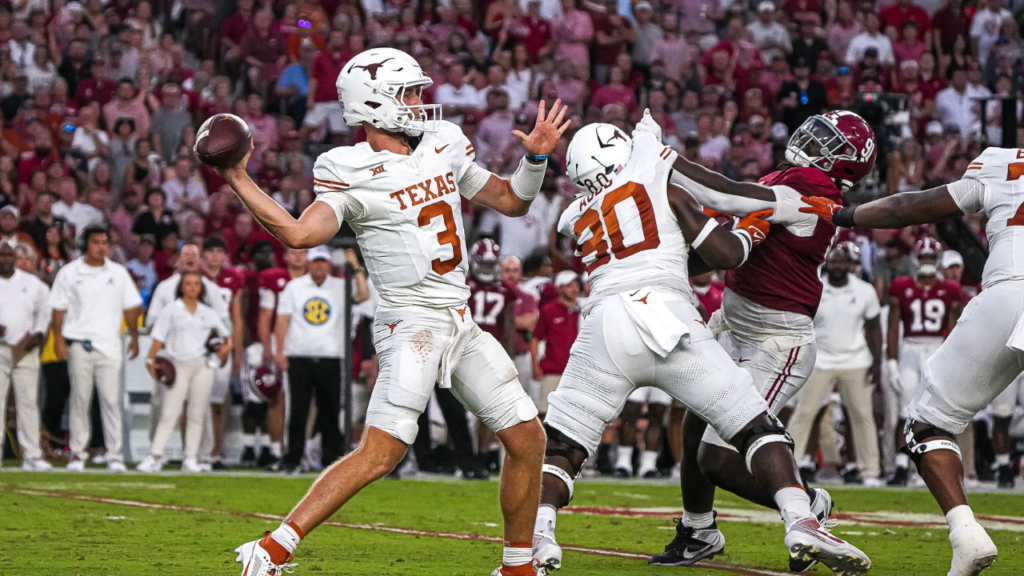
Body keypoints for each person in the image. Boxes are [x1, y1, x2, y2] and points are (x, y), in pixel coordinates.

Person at [221, 47, 569, 576]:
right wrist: (238, 178)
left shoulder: (443, 143)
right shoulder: (348, 167)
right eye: (407, 93)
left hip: (458, 318)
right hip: (410, 324)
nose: (419, 102)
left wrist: (535, 160)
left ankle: (517, 566)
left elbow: (510, 201)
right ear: (375, 103)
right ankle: (270, 550)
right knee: (382, 451)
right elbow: (298, 232)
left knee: (527, 438)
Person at [532, 118, 870, 576]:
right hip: (676, 318)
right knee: (744, 425)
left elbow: (685, 233)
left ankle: (536, 538)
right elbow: (723, 249)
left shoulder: (575, 214)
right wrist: (748, 224)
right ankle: (793, 515)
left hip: (629, 327)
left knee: (569, 443)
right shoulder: (656, 181)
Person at [650, 110, 876, 574]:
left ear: (843, 167)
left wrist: (662, 159)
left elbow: (718, 193)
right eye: (815, 134)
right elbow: (723, 244)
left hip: (777, 339)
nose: (811, 143)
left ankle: (809, 503)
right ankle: (698, 531)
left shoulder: (815, 190)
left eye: (826, 144)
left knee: (716, 459)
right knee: (694, 422)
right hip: (734, 321)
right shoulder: (785, 178)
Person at [797, 145, 1024, 576]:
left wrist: (843, 215)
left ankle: (966, 533)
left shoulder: (1004, 162)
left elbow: (912, 206)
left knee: (927, 424)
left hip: (1009, 291)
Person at [787, 242, 883, 487]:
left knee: (862, 416)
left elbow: (874, 329)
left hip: (857, 360)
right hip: (819, 360)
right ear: (826, 264)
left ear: (850, 265)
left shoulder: (864, 290)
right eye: (834, 262)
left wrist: (877, 362)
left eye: (842, 262)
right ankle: (789, 465)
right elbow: (801, 323)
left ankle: (870, 471)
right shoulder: (813, 288)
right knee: (804, 413)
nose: (838, 266)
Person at [49, 225, 143, 473]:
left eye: (105, 242)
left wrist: (133, 336)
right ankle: (78, 454)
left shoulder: (119, 273)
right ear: (85, 245)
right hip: (79, 344)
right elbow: (58, 308)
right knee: (80, 400)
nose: (102, 247)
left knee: (111, 401)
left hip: (110, 345)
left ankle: (115, 455)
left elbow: (132, 306)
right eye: (96, 242)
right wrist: (58, 339)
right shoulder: (70, 272)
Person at [273, 245, 368, 474]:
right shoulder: (294, 287)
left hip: (330, 356)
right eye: (316, 261)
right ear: (309, 263)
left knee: (330, 411)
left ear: (329, 264)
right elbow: (283, 319)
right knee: (298, 411)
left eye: (323, 262)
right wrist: (280, 350)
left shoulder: (340, 286)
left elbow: (364, 294)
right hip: (299, 355)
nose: (319, 266)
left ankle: (331, 460)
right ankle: (293, 459)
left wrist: (355, 266)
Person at [885, 237, 964, 486]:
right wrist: (891, 361)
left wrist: (951, 363)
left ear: (938, 261)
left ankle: (931, 467)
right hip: (910, 347)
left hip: (937, 349)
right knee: (903, 410)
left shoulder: (950, 290)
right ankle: (900, 466)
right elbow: (893, 327)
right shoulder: (902, 285)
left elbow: (952, 331)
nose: (927, 262)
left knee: (935, 413)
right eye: (923, 258)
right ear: (915, 260)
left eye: (931, 258)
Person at [137, 270, 232, 473]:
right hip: (177, 363)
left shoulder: (208, 312)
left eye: (196, 284)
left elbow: (226, 336)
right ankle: (155, 455)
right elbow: (158, 338)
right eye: (188, 283)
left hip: (201, 365)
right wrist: (150, 359)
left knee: (197, 413)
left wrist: (225, 350)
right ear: (181, 287)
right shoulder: (171, 310)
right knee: (170, 411)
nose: (192, 287)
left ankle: (190, 457)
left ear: (201, 288)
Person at [468, 239, 519, 472]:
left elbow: (509, 328)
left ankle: (481, 456)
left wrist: (507, 358)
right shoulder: (463, 285)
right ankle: (462, 455)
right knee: (461, 411)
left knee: (486, 411)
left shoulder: (505, 291)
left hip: (490, 354)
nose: (487, 270)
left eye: (491, 265)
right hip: (464, 352)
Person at [0, 242, 51, 471]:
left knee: (28, 403)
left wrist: (39, 333)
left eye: (9, 255)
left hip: (25, 347)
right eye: (2, 255)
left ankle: (32, 455)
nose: (6, 259)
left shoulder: (32, 283)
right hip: (0, 349)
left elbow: (45, 308)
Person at [201, 235, 246, 470]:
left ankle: (216, 452)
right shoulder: (195, 278)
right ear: (203, 255)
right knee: (195, 401)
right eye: (210, 251)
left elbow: (237, 318)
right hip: (197, 343)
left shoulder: (232, 279)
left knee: (218, 402)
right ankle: (196, 452)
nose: (215, 256)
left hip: (223, 344)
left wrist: (237, 351)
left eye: (219, 251)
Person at [530, 270, 579, 418]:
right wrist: (534, 364)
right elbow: (535, 337)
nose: (574, 288)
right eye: (569, 285)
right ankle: (545, 442)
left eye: (576, 284)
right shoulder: (549, 310)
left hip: (577, 371)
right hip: (553, 369)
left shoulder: (584, 310)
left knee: (572, 415)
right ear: (560, 288)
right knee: (545, 413)